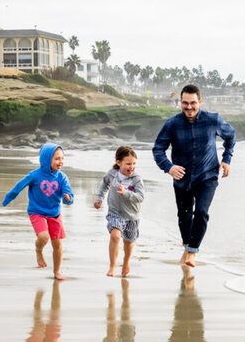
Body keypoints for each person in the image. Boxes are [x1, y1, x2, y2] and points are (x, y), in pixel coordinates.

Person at [152, 84, 236, 267]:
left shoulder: (213, 120)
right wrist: (169, 167)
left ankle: (192, 252)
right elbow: (158, 149)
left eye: (193, 103)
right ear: (180, 103)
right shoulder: (172, 124)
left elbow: (231, 136)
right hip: (181, 178)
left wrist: (226, 159)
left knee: (201, 212)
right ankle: (188, 247)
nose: (189, 107)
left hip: (208, 175)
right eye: (185, 103)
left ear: (200, 102)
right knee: (184, 216)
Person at [2, 143, 74, 280]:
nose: (61, 162)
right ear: (47, 160)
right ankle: (39, 250)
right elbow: (19, 186)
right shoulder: (35, 175)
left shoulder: (62, 177)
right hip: (37, 212)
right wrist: (8, 198)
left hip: (55, 213)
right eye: (57, 159)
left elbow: (68, 192)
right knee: (43, 237)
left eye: (62, 158)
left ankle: (57, 271)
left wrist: (68, 198)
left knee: (57, 244)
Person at [94, 146, 145, 277]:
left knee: (128, 242)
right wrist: (99, 198)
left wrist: (126, 193)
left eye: (134, 163)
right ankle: (112, 266)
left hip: (132, 216)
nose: (131, 167)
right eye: (128, 164)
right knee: (115, 236)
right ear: (118, 162)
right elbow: (104, 184)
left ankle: (126, 262)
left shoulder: (136, 179)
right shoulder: (112, 173)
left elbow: (140, 197)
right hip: (115, 213)